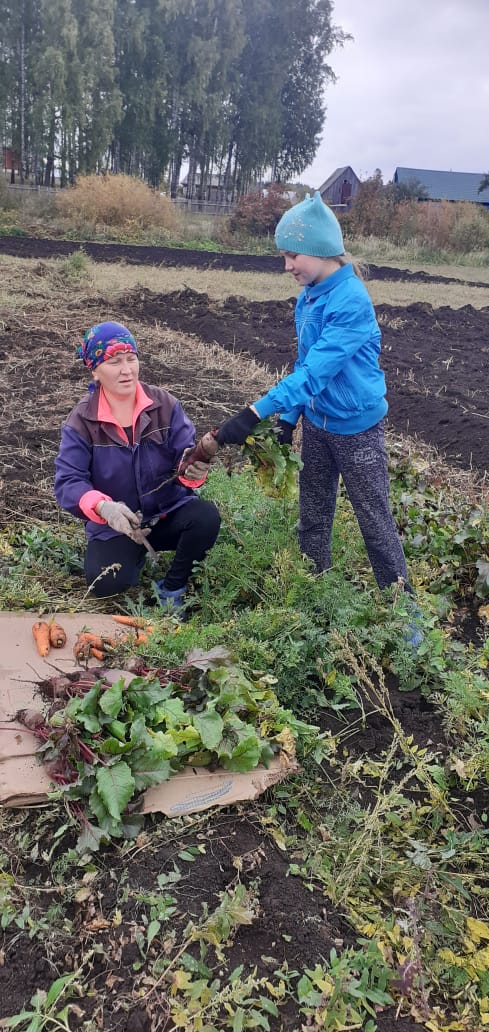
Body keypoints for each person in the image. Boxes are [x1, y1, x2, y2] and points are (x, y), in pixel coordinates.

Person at [205, 191, 422, 645]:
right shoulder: (308, 297)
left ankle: (407, 620)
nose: (287, 266)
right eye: (283, 256)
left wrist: (254, 413)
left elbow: (315, 372)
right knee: (313, 515)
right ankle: (313, 593)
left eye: (292, 255)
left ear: (322, 250)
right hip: (319, 425)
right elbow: (305, 363)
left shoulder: (350, 302)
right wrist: (288, 419)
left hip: (357, 429)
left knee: (374, 520)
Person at [54, 321, 220, 614]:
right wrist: (104, 507)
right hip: (117, 526)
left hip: (166, 514)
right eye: (114, 362)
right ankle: (134, 554)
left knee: (205, 518)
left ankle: (172, 588)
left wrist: (193, 470)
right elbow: (69, 481)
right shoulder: (81, 421)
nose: (126, 370)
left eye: (131, 359)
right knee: (105, 584)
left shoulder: (164, 405)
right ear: (94, 370)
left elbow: (184, 456)